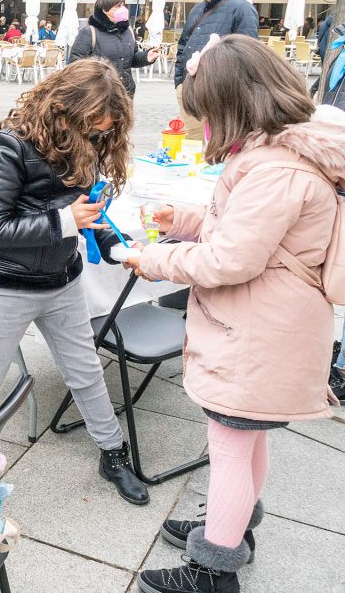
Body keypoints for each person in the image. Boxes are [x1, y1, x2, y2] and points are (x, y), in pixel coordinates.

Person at [129, 35, 340, 593]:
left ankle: (212, 569)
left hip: (259, 332)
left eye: (207, 116)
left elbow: (231, 257)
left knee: (227, 448)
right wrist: (185, 219)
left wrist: (154, 257)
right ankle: (232, 529)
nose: (204, 129)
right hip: (268, 325)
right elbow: (248, 232)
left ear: (234, 107)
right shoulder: (283, 152)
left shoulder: (277, 168)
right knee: (244, 441)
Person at [0, 59, 150, 506]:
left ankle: (112, 452)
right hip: (5, 284)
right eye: (93, 127)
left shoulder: (83, 143)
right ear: (63, 108)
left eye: (105, 132)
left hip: (61, 280)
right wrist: (65, 220)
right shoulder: (7, 146)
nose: (99, 137)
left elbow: (89, 213)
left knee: (85, 371)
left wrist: (119, 248)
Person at [174, 0, 258, 140]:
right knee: (192, 142)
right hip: (189, 87)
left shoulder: (242, 8)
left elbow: (248, 51)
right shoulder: (197, 9)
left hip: (219, 89)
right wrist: (179, 81)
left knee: (217, 141)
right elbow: (184, 44)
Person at [69, 0, 160, 97]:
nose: (123, 9)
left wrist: (147, 57)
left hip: (125, 93)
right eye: (117, 6)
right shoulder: (89, 32)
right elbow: (75, 63)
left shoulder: (128, 30)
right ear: (105, 10)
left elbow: (131, 59)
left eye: (123, 5)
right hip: (99, 95)